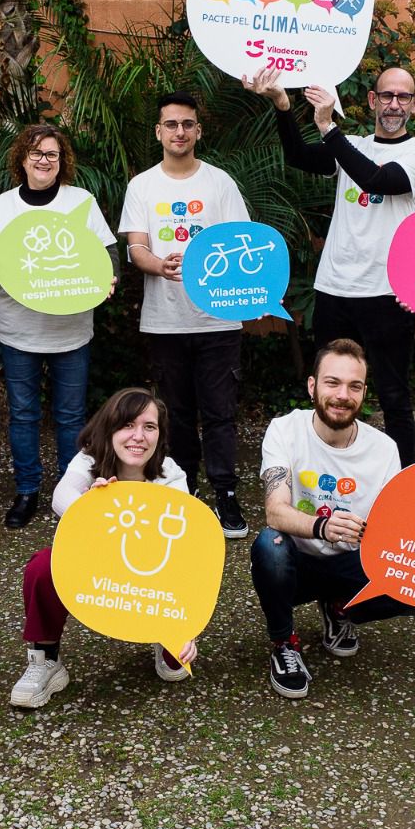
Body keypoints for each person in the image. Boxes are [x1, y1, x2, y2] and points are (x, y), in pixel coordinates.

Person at [243, 65, 415, 466]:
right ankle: (323, 470)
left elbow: (377, 181)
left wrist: (329, 127)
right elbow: (298, 155)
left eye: (403, 97)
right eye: (386, 96)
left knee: (393, 395)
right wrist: (283, 105)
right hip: (334, 290)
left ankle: (400, 483)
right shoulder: (353, 143)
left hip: (387, 293)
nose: (394, 104)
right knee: (328, 391)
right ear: (372, 100)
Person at [250, 338, 415, 699]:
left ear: (365, 392)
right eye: (332, 382)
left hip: (350, 562)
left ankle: (339, 608)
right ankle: (284, 643)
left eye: (354, 386)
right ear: (312, 385)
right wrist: (323, 526)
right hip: (297, 562)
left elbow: (399, 536)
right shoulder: (285, 429)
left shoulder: (384, 449)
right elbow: (275, 509)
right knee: (269, 545)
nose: (342, 395)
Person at [0, 124, 119, 529]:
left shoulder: (80, 201)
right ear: (21, 159)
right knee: (23, 415)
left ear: (61, 160)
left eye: (51, 153)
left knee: (71, 417)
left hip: (71, 331)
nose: (43, 160)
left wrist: (109, 278)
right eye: (35, 153)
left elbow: (106, 252)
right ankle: (28, 491)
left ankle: (70, 495)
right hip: (19, 331)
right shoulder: (3, 206)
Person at [9, 387, 195, 709]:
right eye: (127, 425)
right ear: (109, 428)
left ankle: (161, 631)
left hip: (149, 572)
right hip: (94, 564)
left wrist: (185, 623)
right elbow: (60, 497)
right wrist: (93, 507)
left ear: (160, 434)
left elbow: (185, 551)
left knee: (175, 669)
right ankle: (46, 659)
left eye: (149, 427)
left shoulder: (171, 475)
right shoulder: (90, 458)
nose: (138, 436)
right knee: (42, 566)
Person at [118, 91, 252, 538]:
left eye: (187, 124)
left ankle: (226, 496)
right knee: (174, 412)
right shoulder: (142, 185)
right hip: (165, 321)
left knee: (219, 413)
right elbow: (136, 247)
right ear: (159, 132)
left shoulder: (220, 183)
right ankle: (184, 493)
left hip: (218, 321)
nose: (180, 132)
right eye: (171, 124)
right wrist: (161, 266)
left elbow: (241, 244)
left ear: (198, 130)